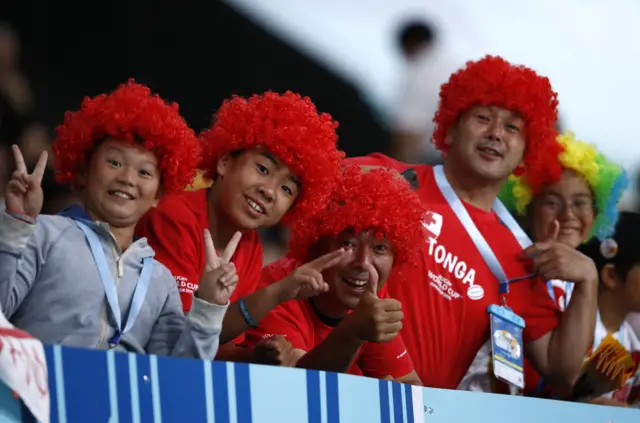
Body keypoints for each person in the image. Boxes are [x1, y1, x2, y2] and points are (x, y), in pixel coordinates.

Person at [345, 55, 599, 390]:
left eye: (512, 127)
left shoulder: (522, 257)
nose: (495, 133)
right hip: (344, 393)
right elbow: (302, 181)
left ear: (526, 153)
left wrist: (587, 281)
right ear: (449, 129)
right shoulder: (390, 178)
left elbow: (559, 368)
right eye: (482, 118)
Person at [0, 81, 233, 358]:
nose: (127, 178)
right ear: (84, 171)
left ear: (158, 194)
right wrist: (16, 226)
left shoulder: (161, 280)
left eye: (144, 172)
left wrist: (207, 308)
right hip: (37, 395)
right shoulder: (44, 233)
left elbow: (177, 376)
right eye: (114, 162)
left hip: (120, 401)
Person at [135, 91, 345, 361]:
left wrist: (258, 354)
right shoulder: (173, 215)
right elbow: (180, 338)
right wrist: (276, 293)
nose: (269, 191)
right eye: (262, 168)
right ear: (224, 162)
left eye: (286, 188)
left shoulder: (250, 246)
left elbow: (214, 346)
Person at [459, 130, 630, 394]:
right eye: (552, 202)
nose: (569, 214)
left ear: (596, 213)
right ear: (526, 209)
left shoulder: (581, 283)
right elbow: (561, 380)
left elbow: (578, 388)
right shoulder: (508, 269)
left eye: (581, 203)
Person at [244, 165, 424, 384]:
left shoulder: (368, 290)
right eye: (348, 244)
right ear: (316, 244)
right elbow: (299, 388)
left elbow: (410, 385)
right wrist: (352, 332)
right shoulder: (278, 287)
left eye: (380, 248)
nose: (363, 263)